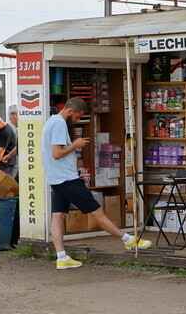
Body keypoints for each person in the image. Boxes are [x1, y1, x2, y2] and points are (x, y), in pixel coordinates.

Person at [43, 97, 151, 269]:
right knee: (97, 212)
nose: (78, 120)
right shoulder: (59, 124)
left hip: (56, 178)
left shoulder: (51, 121)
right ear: (71, 111)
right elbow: (56, 153)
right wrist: (75, 145)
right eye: (78, 116)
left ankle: (61, 256)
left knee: (58, 216)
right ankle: (128, 240)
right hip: (67, 179)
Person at [0, 113, 19, 247]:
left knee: (5, 188)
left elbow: (2, 150)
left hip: (8, 164)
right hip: (1, 162)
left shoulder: (7, 131)